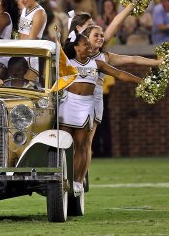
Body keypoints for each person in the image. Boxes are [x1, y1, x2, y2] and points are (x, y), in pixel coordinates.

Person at [60, 32, 141, 195]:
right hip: (68, 103)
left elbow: (119, 74)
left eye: (89, 45)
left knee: (82, 145)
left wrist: (141, 81)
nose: (89, 47)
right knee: (64, 144)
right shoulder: (66, 63)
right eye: (85, 45)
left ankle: (77, 181)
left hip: (86, 105)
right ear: (76, 47)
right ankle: (61, 179)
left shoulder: (98, 64)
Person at [82, 24, 162, 167]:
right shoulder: (74, 53)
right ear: (86, 38)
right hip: (73, 99)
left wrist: (157, 62)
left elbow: (133, 60)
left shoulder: (104, 58)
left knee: (87, 141)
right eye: (96, 35)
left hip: (94, 100)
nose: (100, 38)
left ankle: (79, 179)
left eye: (102, 35)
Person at [17, 0, 47, 81]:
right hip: (20, 54)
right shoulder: (25, 9)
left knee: (26, 89)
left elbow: (32, 39)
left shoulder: (39, 13)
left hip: (31, 57)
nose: (22, 0)